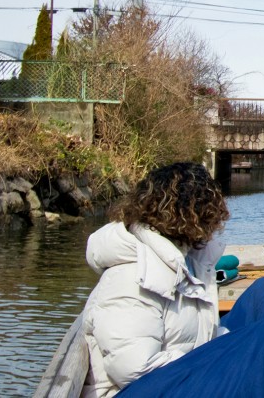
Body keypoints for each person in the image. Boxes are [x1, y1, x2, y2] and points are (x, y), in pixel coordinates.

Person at [81, 162, 230, 397]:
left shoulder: (183, 260)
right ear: (195, 215)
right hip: (143, 391)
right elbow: (135, 369)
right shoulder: (133, 276)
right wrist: (213, 367)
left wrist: (232, 349)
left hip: (179, 383)